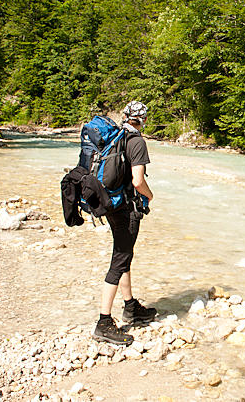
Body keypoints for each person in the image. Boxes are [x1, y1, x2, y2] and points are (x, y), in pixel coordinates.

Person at [93, 100, 158, 345]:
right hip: (127, 208)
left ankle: (130, 307)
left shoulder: (118, 136)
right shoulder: (138, 141)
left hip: (112, 204)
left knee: (124, 254)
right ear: (143, 119)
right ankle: (103, 322)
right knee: (119, 259)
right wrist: (150, 196)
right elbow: (138, 181)